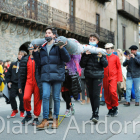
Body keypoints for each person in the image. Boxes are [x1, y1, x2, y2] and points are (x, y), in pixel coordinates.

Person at [33, 27, 71, 129]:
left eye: (49, 33)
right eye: (46, 33)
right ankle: (45, 120)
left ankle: (55, 119)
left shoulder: (58, 45)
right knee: (45, 96)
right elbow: (39, 63)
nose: (47, 35)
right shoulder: (43, 47)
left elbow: (67, 59)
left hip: (57, 76)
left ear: (54, 35)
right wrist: (36, 52)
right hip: (45, 76)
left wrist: (62, 48)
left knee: (56, 98)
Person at [80, 33, 108, 123]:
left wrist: (101, 57)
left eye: (93, 39)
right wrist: (86, 55)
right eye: (90, 39)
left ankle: (96, 114)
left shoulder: (100, 51)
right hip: (88, 75)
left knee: (96, 95)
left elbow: (105, 64)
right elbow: (82, 64)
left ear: (97, 41)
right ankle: (93, 113)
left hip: (98, 76)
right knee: (91, 95)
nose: (92, 41)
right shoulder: (86, 51)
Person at [19, 46, 42, 125]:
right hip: (28, 82)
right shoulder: (25, 59)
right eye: (30, 49)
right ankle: (28, 114)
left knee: (37, 100)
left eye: (33, 49)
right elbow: (21, 73)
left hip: (37, 82)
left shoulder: (39, 58)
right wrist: (20, 85)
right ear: (28, 50)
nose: (31, 50)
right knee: (25, 98)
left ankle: (36, 118)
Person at [103, 43, 122, 117]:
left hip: (113, 77)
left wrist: (119, 79)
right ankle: (110, 109)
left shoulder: (115, 57)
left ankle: (115, 107)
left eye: (109, 48)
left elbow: (119, 68)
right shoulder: (103, 57)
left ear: (112, 49)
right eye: (106, 49)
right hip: (105, 77)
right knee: (107, 94)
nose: (107, 50)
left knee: (112, 92)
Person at [6, 51, 25, 118]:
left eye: (22, 55)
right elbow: (8, 74)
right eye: (19, 54)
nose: (20, 56)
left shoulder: (25, 65)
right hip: (13, 83)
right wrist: (8, 82)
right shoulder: (13, 64)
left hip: (22, 84)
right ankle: (14, 109)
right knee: (11, 97)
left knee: (22, 99)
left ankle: (22, 111)